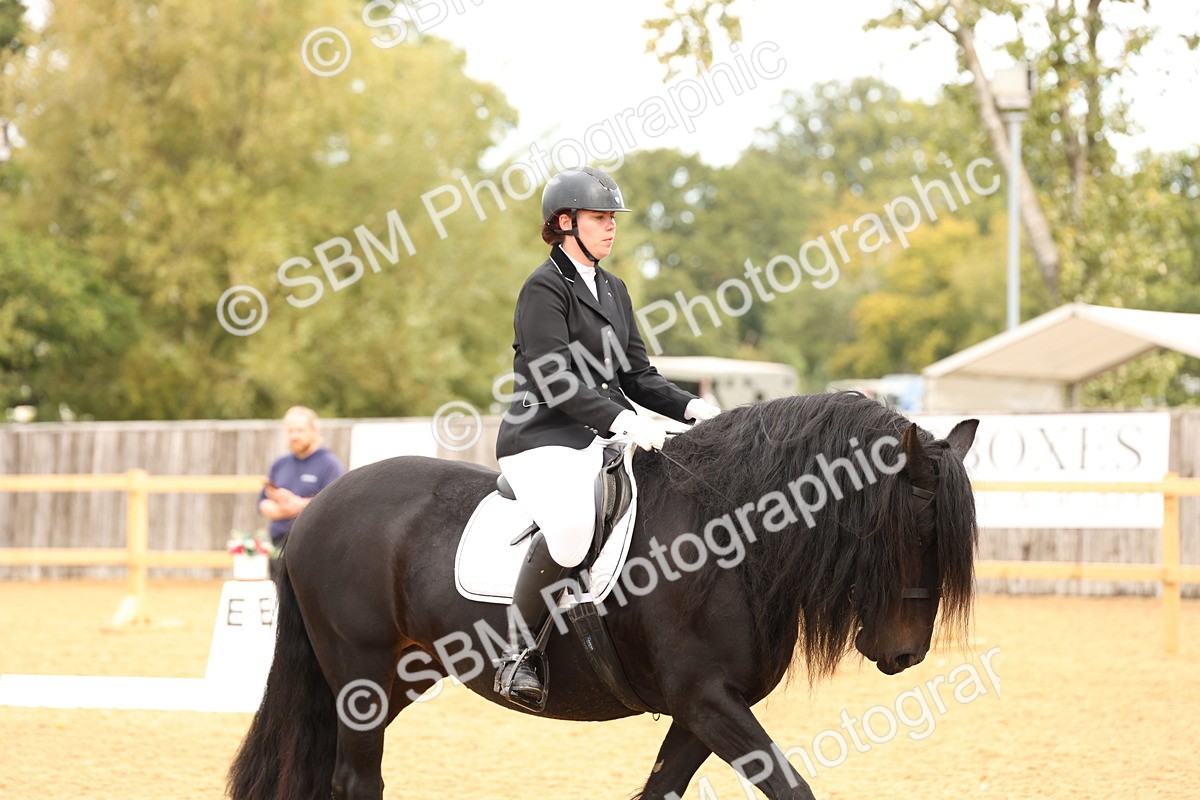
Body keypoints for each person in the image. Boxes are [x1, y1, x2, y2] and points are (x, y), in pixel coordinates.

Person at [493, 166, 721, 708]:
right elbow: (554, 378)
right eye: (599, 218)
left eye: (613, 218)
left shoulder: (614, 289)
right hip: (541, 437)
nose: (611, 227)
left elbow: (638, 377)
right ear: (564, 223)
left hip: (600, 437)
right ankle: (516, 653)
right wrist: (624, 422)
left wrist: (696, 410)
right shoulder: (544, 287)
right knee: (573, 526)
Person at [257, 406, 345, 572]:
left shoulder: (330, 464)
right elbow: (262, 504)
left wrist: (297, 504)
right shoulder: (280, 464)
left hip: (312, 547)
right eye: (290, 431)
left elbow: (335, 505)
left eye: (300, 430)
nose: (294, 436)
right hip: (278, 546)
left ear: (314, 431)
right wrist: (287, 508)